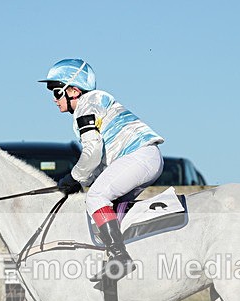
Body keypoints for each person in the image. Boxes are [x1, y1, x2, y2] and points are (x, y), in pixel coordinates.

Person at [39, 58, 164, 282]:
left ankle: (120, 258)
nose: (53, 99)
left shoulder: (88, 104)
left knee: (96, 197)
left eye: (57, 92)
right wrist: (81, 180)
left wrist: (74, 177)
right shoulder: (92, 104)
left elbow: (93, 151)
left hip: (139, 157)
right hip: (144, 158)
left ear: (74, 91)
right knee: (111, 207)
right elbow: (99, 163)